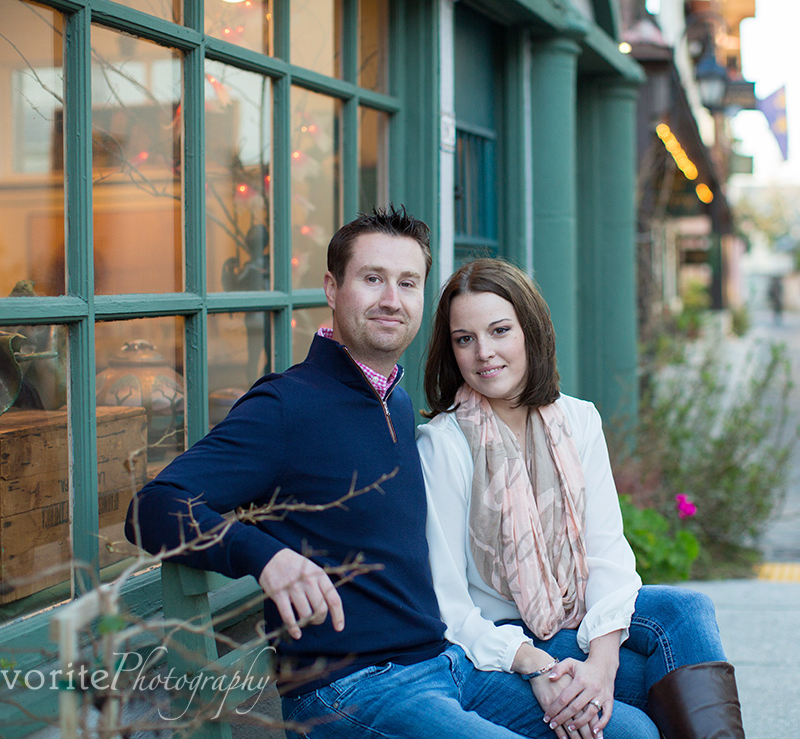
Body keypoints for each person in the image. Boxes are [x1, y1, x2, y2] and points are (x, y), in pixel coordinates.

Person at [125, 209, 561, 739]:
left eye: (407, 283)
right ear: (332, 288)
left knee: (625, 723)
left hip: (444, 665)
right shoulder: (285, 407)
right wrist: (265, 556)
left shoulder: (396, 400)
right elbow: (153, 505)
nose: (391, 300)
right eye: (372, 279)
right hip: (347, 687)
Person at [418, 258, 746, 739]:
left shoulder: (577, 420)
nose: (483, 353)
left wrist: (602, 664)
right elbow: (447, 605)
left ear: (530, 331)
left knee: (686, 611)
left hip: (571, 623)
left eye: (500, 331)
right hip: (495, 648)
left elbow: (606, 555)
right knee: (638, 729)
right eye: (464, 338)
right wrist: (534, 665)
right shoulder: (443, 445)